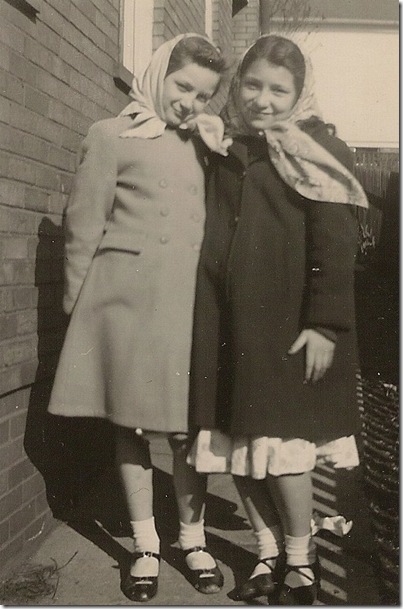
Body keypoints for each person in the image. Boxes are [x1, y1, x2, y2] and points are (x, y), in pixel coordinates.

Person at [188, 35, 368, 605]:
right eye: (252, 85)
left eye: (278, 90)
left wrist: (325, 324)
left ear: (299, 93)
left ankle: (301, 558)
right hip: (226, 321)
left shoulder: (318, 149)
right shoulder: (229, 147)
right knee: (238, 445)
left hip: (288, 325)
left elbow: (334, 243)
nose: (262, 100)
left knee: (284, 447)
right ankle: (267, 552)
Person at [47, 34, 228, 602]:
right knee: (130, 426)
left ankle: (193, 538)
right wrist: (79, 313)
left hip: (185, 309)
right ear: (157, 74)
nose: (190, 103)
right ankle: (145, 544)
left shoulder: (206, 147)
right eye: (182, 86)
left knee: (185, 428)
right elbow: (83, 227)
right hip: (122, 307)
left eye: (203, 96)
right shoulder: (110, 135)